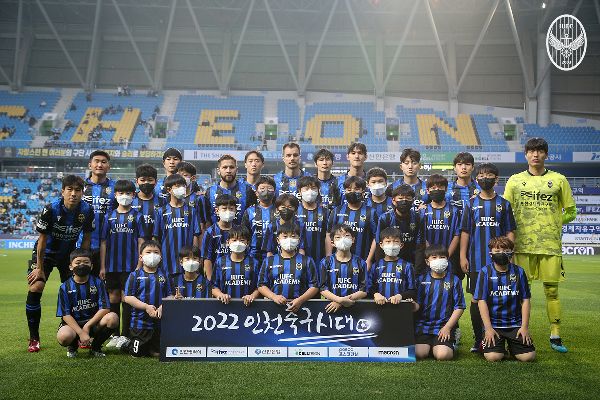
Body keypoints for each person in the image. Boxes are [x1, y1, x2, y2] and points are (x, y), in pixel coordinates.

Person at [503, 137, 576, 353]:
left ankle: (555, 335)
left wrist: (554, 222)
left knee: (551, 291)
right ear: (525, 154)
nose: (535, 155)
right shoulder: (515, 181)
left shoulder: (559, 180)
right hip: (522, 246)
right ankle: (517, 331)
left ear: (546, 154)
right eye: (531, 151)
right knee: (520, 291)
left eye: (540, 151)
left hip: (549, 246)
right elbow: (506, 211)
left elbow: (571, 211)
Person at [26, 175, 95, 352]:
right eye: (69, 189)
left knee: (77, 291)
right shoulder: (51, 209)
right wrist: (39, 268)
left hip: (68, 255)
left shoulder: (87, 210)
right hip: (46, 255)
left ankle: (70, 328)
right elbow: (42, 240)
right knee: (36, 287)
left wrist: (83, 260)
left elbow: (87, 237)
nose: (73, 194)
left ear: (82, 192)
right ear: (62, 191)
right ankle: (34, 338)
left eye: (77, 190)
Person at [459, 162, 516, 353]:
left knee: (498, 297)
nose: (485, 178)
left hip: (500, 261)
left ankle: (499, 336)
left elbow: (510, 231)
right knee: (476, 300)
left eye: (489, 175)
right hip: (476, 261)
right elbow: (465, 232)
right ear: (477, 179)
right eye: (482, 176)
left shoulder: (504, 204)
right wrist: (462, 256)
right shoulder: (470, 204)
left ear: (496, 179)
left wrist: (510, 254)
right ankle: (478, 339)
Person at [474, 236, 536, 362]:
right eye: (497, 251)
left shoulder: (519, 272)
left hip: (515, 324)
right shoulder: (485, 272)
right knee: (493, 357)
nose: (501, 254)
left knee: (528, 357)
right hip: (494, 325)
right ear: (491, 254)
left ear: (511, 253)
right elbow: (481, 301)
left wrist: (524, 327)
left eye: (506, 251)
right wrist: (488, 328)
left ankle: (513, 347)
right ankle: (485, 344)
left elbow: (525, 300)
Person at [100, 179, 144, 349]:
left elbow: (141, 241)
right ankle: (114, 334)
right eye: (121, 193)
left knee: (127, 298)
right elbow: (103, 242)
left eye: (128, 193)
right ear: (115, 195)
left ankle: (125, 335)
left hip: (130, 266)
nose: (124, 196)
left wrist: (139, 264)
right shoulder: (109, 216)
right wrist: (103, 266)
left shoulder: (137, 216)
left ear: (133, 195)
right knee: (113, 297)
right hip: (111, 265)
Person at [56, 249, 118, 358]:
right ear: (71, 266)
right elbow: (65, 314)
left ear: (91, 266)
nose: (82, 265)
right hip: (73, 325)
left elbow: (105, 308)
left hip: (93, 323)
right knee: (64, 336)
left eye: (86, 262)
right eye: (78, 262)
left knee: (113, 318)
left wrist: (87, 326)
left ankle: (96, 347)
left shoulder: (98, 283)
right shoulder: (65, 287)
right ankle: (72, 346)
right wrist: (80, 332)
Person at [414, 244, 465, 361]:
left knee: (443, 356)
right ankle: (433, 345)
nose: (438, 260)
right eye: (434, 257)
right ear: (427, 262)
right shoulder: (421, 280)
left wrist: (448, 327)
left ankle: (452, 340)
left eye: (442, 257)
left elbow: (459, 307)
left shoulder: (454, 280)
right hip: (423, 326)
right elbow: (417, 304)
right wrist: (411, 304)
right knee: (419, 354)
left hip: (444, 325)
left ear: (447, 260)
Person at [123, 240, 172, 357]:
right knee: (138, 354)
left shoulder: (165, 275)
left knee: (158, 353)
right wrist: (146, 307)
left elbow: (170, 295)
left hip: (159, 322)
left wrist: (162, 307)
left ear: (160, 257)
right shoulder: (134, 275)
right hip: (140, 323)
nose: (152, 255)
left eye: (156, 252)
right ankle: (128, 344)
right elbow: (128, 297)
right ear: (141, 257)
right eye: (148, 252)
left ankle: (151, 346)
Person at [258, 223, 319, 313]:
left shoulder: (307, 261)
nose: (289, 240)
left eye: (293, 236)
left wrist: (300, 300)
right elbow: (261, 285)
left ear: (299, 240)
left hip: (301, 309)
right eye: (285, 236)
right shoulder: (269, 261)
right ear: (278, 240)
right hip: (274, 308)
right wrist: (273, 297)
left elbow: (314, 286)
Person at [153, 174, 201, 279]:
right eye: (178, 186)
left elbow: (196, 235)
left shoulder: (192, 211)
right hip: (167, 260)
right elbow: (156, 237)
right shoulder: (161, 211)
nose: (182, 188)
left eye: (183, 186)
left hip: (188, 261)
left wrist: (195, 257)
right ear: (169, 190)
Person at [367, 185, 425, 270]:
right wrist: (380, 267)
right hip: (389, 262)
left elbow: (420, 245)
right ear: (393, 201)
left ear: (413, 201)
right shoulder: (385, 218)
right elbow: (379, 244)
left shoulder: (418, 218)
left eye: (408, 198)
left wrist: (417, 270)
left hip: (411, 262)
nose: (404, 201)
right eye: (400, 198)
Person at [81, 150, 116, 275]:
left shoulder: (116, 188)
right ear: (90, 165)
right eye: (96, 161)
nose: (100, 165)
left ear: (109, 166)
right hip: (81, 244)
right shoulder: (80, 187)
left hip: (108, 246)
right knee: (83, 281)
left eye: (103, 162)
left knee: (105, 283)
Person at [326, 176, 377, 261]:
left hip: (363, 259)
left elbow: (376, 237)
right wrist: (329, 256)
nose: (352, 192)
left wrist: (369, 260)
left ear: (363, 192)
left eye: (356, 189)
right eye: (349, 189)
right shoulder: (337, 211)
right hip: (338, 260)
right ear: (345, 192)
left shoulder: (371, 212)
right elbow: (329, 234)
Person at [419, 174, 462, 276]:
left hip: (449, 259)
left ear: (446, 189)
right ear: (428, 191)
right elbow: (421, 235)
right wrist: (431, 255)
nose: (437, 190)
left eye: (440, 187)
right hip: (428, 259)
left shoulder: (454, 211)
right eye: (433, 188)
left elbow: (457, 235)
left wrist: (446, 256)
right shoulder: (423, 211)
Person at [319, 224, 367, 314]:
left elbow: (364, 290)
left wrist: (341, 301)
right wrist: (339, 300)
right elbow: (322, 288)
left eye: (346, 236)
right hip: (331, 309)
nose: (343, 239)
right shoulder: (325, 262)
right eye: (338, 237)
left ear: (353, 240)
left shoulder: (361, 262)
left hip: (355, 310)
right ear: (332, 242)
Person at [211, 225, 260, 305]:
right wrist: (221, 295)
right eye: (234, 240)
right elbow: (213, 286)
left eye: (242, 240)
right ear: (228, 242)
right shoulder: (220, 262)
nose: (238, 243)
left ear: (247, 243)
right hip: (225, 306)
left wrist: (252, 296)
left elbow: (259, 286)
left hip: (249, 307)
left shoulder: (254, 263)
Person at [204, 154, 256, 225]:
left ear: (236, 170)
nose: (228, 171)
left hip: (242, 231)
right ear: (218, 171)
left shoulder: (247, 190)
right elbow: (206, 219)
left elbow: (253, 216)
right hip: (216, 232)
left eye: (231, 167)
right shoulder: (210, 192)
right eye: (225, 167)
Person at [368, 227, 416, 304]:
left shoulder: (407, 266)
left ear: (401, 245)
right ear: (381, 245)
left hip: (399, 307)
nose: (392, 245)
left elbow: (412, 290)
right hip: (378, 307)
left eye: (396, 241)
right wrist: (375, 294)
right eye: (388, 241)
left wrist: (400, 296)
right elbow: (369, 286)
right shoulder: (375, 266)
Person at [201, 194, 238, 279]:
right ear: (217, 211)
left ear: (235, 210)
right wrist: (210, 281)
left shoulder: (238, 231)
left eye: (231, 209)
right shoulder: (210, 232)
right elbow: (207, 259)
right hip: (216, 277)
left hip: (234, 276)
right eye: (224, 208)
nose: (228, 211)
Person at [242, 176, 276, 265]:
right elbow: (244, 234)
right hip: (253, 255)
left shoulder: (279, 211)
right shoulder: (249, 212)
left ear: (274, 192)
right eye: (262, 188)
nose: (266, 191)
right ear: (256, 193)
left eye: (269, 188)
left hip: (275, 255)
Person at [297, 176, 329, 265]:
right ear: (299, 191)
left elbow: (328, 235)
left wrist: (328, 256)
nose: (310, 191)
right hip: (298, 260)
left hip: (320, 258)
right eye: (306, 188)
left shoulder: (326, 212)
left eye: (313, 188)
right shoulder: (294, 211)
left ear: (318, 191)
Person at [131, 164, 163, 240]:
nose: (146, 183)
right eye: (142, 180)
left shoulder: (162, 201)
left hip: (155, 243)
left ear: (156, 182)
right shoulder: (130, 200)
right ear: (137, 181)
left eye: (150, 180)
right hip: (133, 242)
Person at [175, 161, 209, 231]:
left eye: (184, 175)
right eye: (178, 175)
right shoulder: (171, 198)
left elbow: (203, 224)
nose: (180, 178)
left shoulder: (199, 198)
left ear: (193, 178)